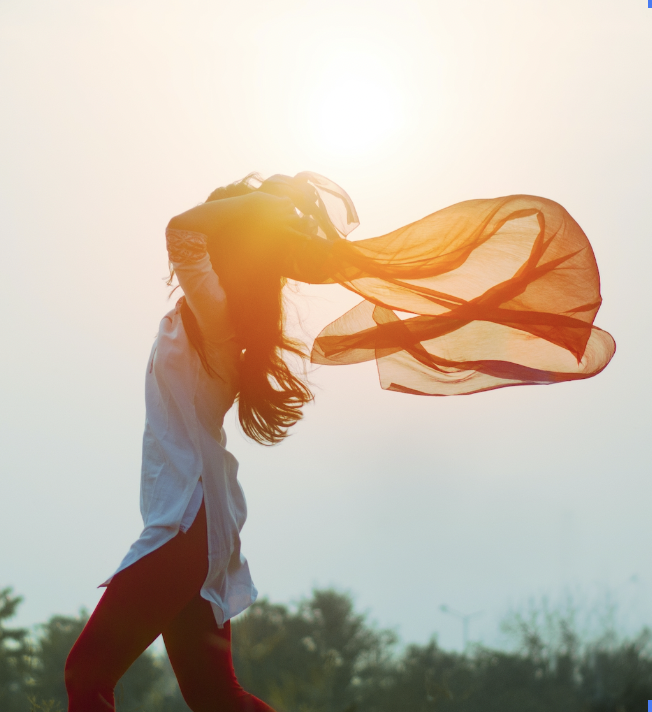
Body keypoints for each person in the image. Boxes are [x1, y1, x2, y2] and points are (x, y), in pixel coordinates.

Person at [65, 173, 318, 712]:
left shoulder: (216, 313)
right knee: (215, 698)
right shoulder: (213, 317)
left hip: (187, 524)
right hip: (196, 524)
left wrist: (262, 204)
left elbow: (181, 230)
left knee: (87, 671)